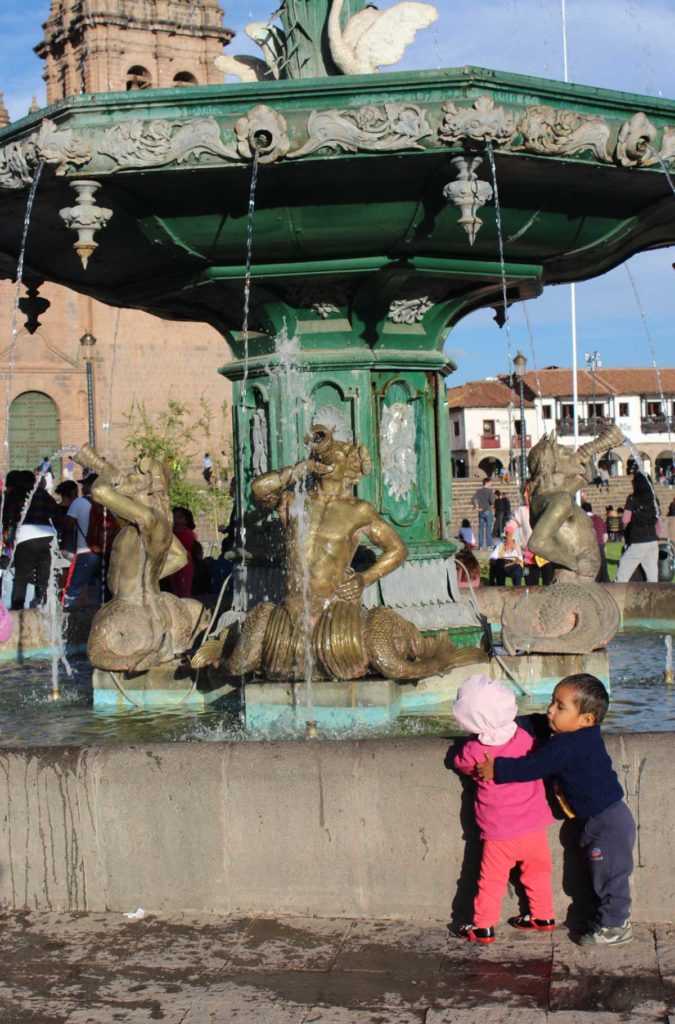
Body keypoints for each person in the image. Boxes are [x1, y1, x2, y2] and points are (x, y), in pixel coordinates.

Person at [477, 673, 636, 947]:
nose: (551, 709)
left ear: (586, 720)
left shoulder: (568, 744)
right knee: (603, 873)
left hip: (607, 823)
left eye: (560, 706)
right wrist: (511, 725)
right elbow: (540, 721)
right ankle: (608, 921)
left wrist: (497, 769)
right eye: (553, 701)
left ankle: (615, 926)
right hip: (599, 819)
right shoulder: (577, 734)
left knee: (611, 876)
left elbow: (534, 766)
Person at [453, 674, 555, 944]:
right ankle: (543, 915)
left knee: (491, 881)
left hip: (500, 833)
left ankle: (483, 926)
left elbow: (459, 763)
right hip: (534, 827)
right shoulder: (524, 737)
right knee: (539, 872)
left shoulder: (475, 748)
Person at [3, 471, 61, 610]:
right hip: (47, 536)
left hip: (24, 537)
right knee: (44, 575)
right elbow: (57, 515)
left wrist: (9, 538)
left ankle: (17, 607)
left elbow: (9, 517)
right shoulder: (44, 494)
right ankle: (42, 604)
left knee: (21, 575)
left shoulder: (17, 495)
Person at [61, 474, 102, 608]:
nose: (82, 487)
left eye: (85, 485)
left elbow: (68, 526)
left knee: (71, 591)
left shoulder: (79, 502)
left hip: (85, 553)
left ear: (91, 486)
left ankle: (64, 622)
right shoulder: (107, 503)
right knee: (101, 591)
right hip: (105, 553)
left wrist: (65, 547)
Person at [616, 471, 660, 584]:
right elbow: (659, 523)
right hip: (653, 541)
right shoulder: (654, 500)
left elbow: (626, 520)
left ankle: (618, 599)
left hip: (638, 540)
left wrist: (623, 526)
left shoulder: (632, 498)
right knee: (652, 578)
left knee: (623, 573)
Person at [166, 506, 197, 598]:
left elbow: (187, 545)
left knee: (184, 587)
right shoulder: (170, 533)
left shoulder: (187, 532)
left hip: (185, 564)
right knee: (175, 588)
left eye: (180, 518)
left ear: (186, 520)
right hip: (173, 563)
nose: (177, 520)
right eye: (174, 518)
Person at [581, 501, 609, 583]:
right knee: (604, 572)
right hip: (600, 546)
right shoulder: (599, 519)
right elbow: (605, 536)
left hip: (591, 548)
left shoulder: (584, 521)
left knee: (594, 573)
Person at [488, 522, 523, 586]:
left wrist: (512, 562)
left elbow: (520, 559)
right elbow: (492, 557)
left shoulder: (517, 546)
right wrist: (494, 560)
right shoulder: (500, 546)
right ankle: (501, 588)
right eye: (506, 537)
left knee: (517, 569)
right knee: (499, 568)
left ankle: (517, 589)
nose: (507, 538)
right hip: (502, 565)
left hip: (514, 566)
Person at [471, 478, 494, 549]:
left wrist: (475, 507)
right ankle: (489, 545)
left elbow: (472, 499)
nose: (491, 484)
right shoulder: (490, 491)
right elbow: (492, 501)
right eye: (490, 482)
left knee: (480, 529)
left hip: (481, 511)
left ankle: (480, 545)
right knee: (488, 529)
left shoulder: (479, 491)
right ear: (487, 483)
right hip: (487, 510)